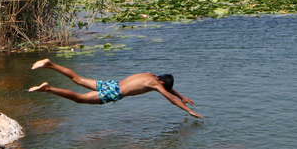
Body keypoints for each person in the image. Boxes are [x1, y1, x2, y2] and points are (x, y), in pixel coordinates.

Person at [29, 59, 204, 119]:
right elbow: (170, 98)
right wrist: (189, 111)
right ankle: (48, 89)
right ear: (163, 84)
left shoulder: (150, 76)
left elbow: (169, 89)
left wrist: (182, 96)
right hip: (114, 92)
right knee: (79, 99)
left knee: (78, 79)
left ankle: (49, 64)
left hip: (112, 84)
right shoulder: (157, 85)